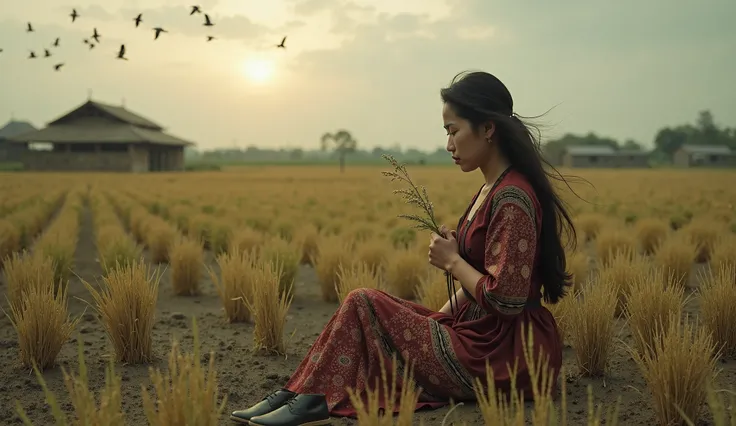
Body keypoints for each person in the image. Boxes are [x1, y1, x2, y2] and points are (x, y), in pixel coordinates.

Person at [230, 70, 577, 426]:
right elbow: (479, 286)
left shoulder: (512, 198)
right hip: (482, 339)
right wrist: (435, 320)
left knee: (362, 301)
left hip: (506, 355)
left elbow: (506, 298)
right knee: (364, 304)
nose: (449, 145)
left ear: (487, 129)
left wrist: (454, 261)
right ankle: (299, 392)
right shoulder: (492, 189)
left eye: (453, 131)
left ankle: (312, 401)